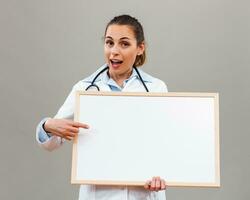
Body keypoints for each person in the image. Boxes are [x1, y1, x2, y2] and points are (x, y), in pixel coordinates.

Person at [36, 14, 168, 200]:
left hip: (144, 194)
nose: (114, 51)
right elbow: (53, 142)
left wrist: (162, 174)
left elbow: (164, 143)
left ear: (140, 48)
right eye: (109, 43)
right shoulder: (84, 88)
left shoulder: (156, 88)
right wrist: (46, 126)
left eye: (124, 44)